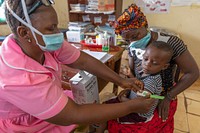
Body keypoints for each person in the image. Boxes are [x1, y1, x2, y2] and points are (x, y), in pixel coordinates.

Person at [0, 0, 155, 132]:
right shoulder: (18, 77)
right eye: (51, 28)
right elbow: (72, 114)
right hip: (24, 125)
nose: (58, 33)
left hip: (47, 105)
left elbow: (82, 60)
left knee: (90, 106)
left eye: (56, 26)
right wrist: (132, 107)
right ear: (25, 32)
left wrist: (120, 80)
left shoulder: (40, 41)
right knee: (84, 114)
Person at [106, 3, 199, 133]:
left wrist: (168, 97)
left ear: (145, 25)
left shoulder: (171, 43)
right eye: (127, 40)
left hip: (162, 97)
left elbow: (193, 72)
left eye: (135, 36)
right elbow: (134, 75)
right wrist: (128, 85)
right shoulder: (132, 46)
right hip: (139, 96)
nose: (132, 42)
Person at [96, 41, 173, 132]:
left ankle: (99, 129)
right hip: (131, 103)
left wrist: (123, 100)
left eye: (155, 63)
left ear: (164, 66)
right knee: (106, 106)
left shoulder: (152, 82)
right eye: (145, 59)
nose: (147, 64)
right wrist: (129, 89)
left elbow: (141, 104)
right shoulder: (147, 72)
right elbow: (139, 89)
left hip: (138, 114)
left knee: (106, 112)